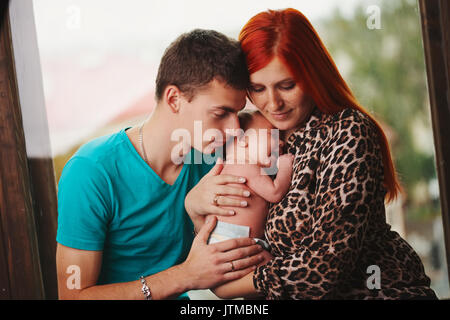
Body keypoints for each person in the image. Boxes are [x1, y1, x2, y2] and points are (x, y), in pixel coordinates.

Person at [186, 8, 438, 299]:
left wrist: (227, 286)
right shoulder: (254, 134)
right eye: (257, 88)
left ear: (313, 74)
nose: (273, 103)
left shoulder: (348, 132)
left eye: (287, 85)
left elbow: (326, 267)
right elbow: (231, 243)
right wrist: (194, 208)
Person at [55, 29, 266, 300]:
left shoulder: (220, 159)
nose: (235, 128)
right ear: (174, 99)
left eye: (237, 112)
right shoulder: (90, 171)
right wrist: (185, 275)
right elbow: (72, 296)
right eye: (220, 113)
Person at [208, 110, 294, 244]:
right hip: (232, 238)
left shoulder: (231, 167)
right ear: (244, 140)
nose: (282, 142)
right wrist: (285, 168)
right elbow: (275, 192)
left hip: (230, 237)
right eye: (272, 134)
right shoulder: (245, 166)